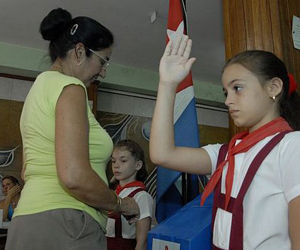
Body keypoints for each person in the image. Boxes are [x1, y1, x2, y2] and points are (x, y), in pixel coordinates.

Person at [5, 8, 139, 250]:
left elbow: (27, 171)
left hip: (28, 221)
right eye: (103, 60)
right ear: (79, 52)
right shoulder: (71, 88)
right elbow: (74, 177)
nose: (103, 71)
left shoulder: (38, 89)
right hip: (67, 225)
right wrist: (119, 203)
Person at [149, 34, 300, 249]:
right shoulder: (226, 153)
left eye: (237, 88)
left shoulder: (292, 146)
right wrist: (167, 84)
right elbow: (162, 154)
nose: (228, 101)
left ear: (273, 88)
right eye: (226, 92)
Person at [106, 139, 153, 250]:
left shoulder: (142, 196)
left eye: (123, 161)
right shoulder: (110, 193)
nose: (116, 166)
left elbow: (142, 242)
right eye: (113, 161)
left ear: (138, 165)